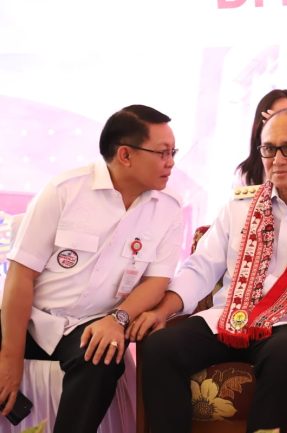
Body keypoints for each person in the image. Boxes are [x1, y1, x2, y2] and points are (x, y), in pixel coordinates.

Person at [135, 108, 287, 433]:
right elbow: (200, 268)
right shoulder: (237, 208)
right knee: (160, 347)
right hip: (227, 318)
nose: (278, 160)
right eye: (269, 149)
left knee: (284, 353)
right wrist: (162, 310)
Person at [0, 105, 183, 433]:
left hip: (91, 324)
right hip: (33, 317)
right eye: (162, 152)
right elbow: (21, 274)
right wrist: (10, 358)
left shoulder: (168, 207)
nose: (170, 162)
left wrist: (118, 319)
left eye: (173, 152)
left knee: (103, 356)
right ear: (125, 155)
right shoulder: (65, 190)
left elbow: (157, 281)